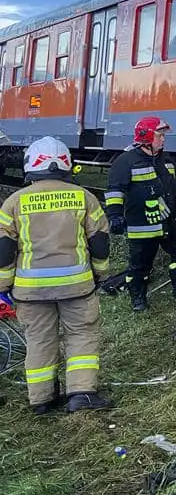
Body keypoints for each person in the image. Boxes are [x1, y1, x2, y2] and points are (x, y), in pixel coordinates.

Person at [0, 137, 111, 413]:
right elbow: (99, 242)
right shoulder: (84, 197)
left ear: (31, 166)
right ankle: (82, 394)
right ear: (65, 164)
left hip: (30, 290)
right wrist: (100, 274)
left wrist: (4, 286)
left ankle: (41, 399)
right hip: (77, 286)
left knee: (39, 340)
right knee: (81, 335)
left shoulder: (14, 203)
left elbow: (4, 251)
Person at [105, 116, 176, 312]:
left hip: (170, 219)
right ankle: (138, 298)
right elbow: (114, 191)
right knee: (140, 264)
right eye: (159, 135)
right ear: (146, 137)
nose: (163, 139)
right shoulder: (125, 161)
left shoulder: (166, 160)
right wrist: (115, 215)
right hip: (143, 224)